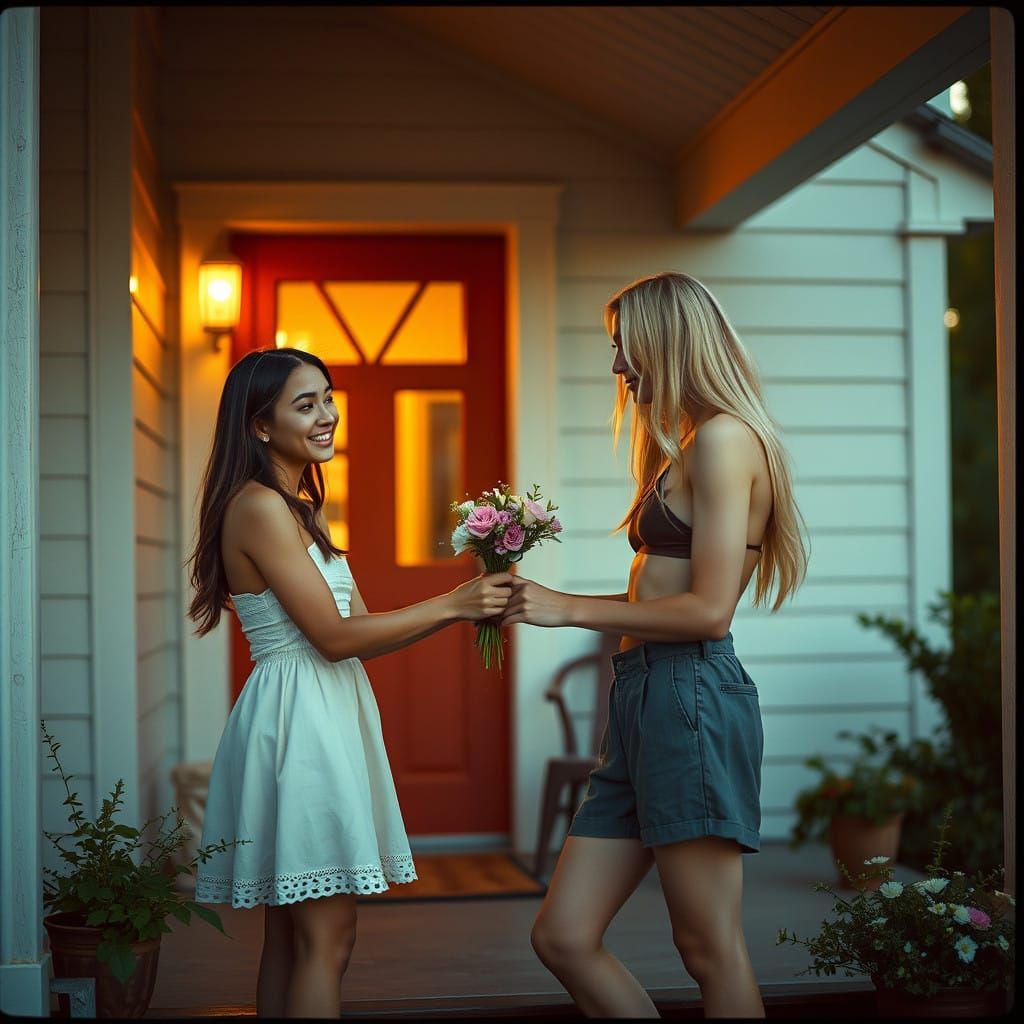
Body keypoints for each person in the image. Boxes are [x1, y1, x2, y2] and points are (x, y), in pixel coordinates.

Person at [501, 272, 809, 1018]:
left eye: (625, 346)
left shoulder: (727, 440)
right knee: (565, 935)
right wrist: (543, 607)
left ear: (668, 342)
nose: (617, 366)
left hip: (690, 696)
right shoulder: (686, 448)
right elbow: (655, 600)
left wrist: (568, 608)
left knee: (708, 948)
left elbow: (708, 613)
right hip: (643, 697)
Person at [186, 347, 512, 1019]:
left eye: (328, 398)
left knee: (293, 936)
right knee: (326, 938)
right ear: (259, 426)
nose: (327, 415)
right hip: (299, 725)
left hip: (323, 712)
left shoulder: (299, 507)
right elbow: (333, 640)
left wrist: (466, 604)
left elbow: (362, 627)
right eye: (305, 405)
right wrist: (456, 603)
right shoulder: (258, 509)